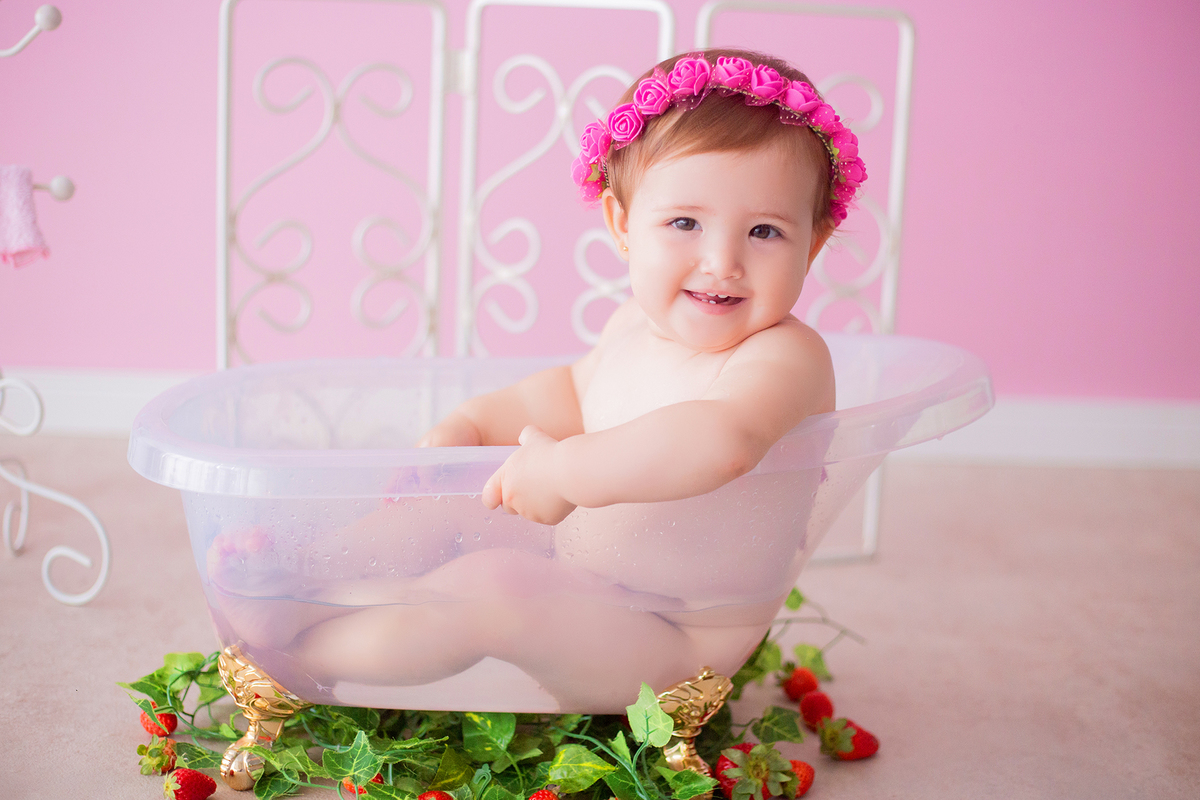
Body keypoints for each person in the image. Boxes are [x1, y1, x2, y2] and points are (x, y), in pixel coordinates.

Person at [209, 48, 866, 712]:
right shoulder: (630, 327)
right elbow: (563, 395)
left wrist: (564, 474)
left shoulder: (786, 357)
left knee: (496, 590)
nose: (721, 262)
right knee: (446, 514)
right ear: (622, 225)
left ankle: (297, 663)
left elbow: (721, 439)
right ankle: (298, 582)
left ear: (812, 242)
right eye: (685, 224)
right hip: (579, 571)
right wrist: (475, 423)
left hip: (673, 639)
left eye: (764, 231)